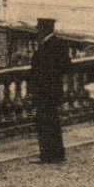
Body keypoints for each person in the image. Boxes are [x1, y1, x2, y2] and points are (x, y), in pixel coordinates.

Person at [28, 18, 69, 163]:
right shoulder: (60, 43)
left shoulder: (47, 46)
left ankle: (47, 155)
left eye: (39, 29)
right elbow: (66, 66)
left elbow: (41, 70)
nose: (37, 32)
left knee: (45, 123)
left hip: (45, 91)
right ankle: (57, 153)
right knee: (54, 123)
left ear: (44, 29)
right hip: (54, 90)